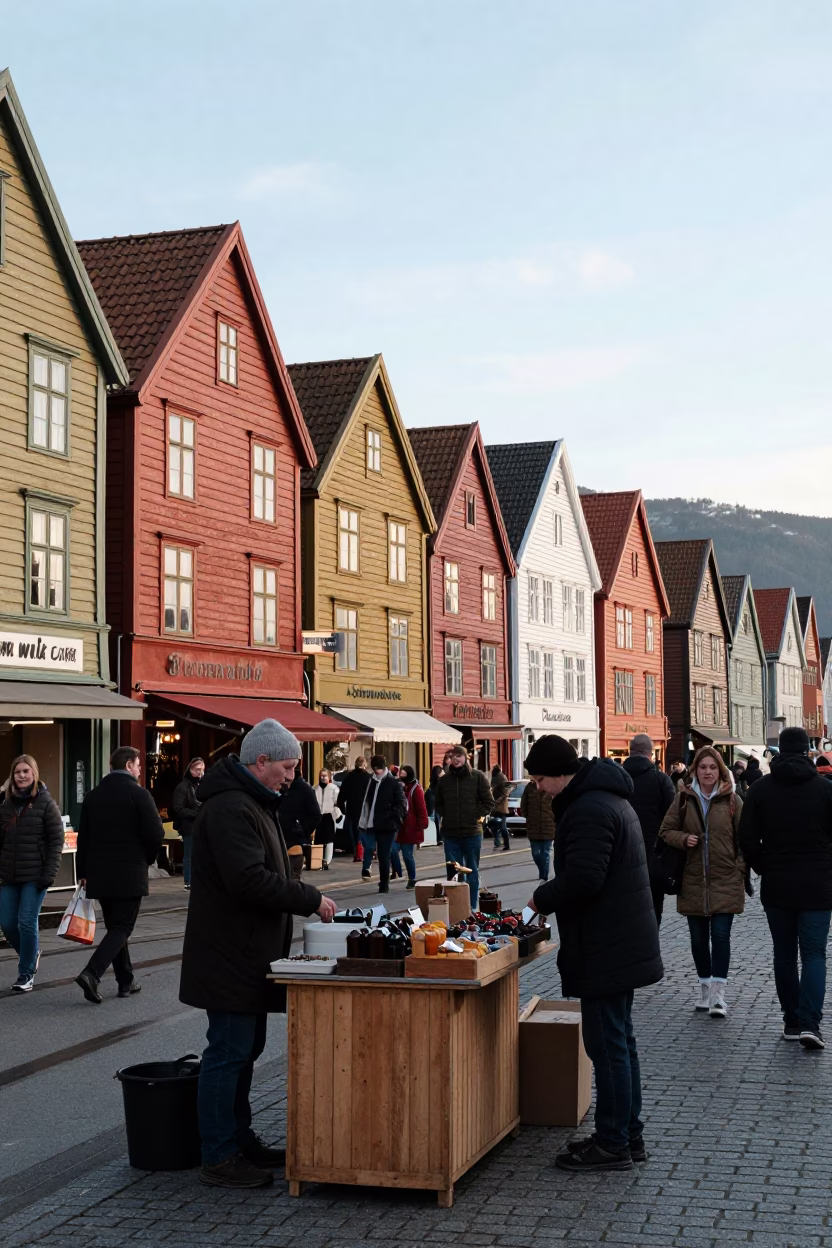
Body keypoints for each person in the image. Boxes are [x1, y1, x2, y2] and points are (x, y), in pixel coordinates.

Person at [179, 719, 336, 1188]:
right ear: (260, 761)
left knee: (246, 1050)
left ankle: (239, 1139)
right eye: (287, 767)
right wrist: (308, 897)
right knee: (228, 1053)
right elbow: (248, 880)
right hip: (229, 954)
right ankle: (219, 1156)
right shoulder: (231, 808)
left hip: (246, 954)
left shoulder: (254, 802)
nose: (292, 777)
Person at [526, 735, 662, 1173]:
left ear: (559, 773)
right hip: (618, 940)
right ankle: (627, 1134)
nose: (539, 788)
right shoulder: (604, 797)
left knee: (607, 1047)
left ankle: (613, 1143)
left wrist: (540, 899)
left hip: (607, 945)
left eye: (541, 779)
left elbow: (584, 879)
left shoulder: (588, 808)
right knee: (620, 1043)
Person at [740, 726, 832, 1049]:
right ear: (807, 750)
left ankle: (791, 1021)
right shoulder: (825, 790)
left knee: (784, 955)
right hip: (819, 886)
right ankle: (811, 1024)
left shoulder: (760, 790)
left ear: (778, 751)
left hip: (777, 885)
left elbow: (747, 840)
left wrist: (765, 867)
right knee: (814, 955)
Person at [658, 746, 745, 1018]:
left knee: (720, 936)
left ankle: (719, 996)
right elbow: (665, 831)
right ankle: (705, 989)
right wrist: (684, 839)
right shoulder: (683, 798)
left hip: (725, 878)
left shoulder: (733, 800)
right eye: (703, 767)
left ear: (720, 770)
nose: (708, 772)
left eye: (713, 767)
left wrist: (739, 869)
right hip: (693, 879)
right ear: (695, 770)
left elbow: (744, 840)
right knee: (698, 940)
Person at [75, 746, 165, 1004]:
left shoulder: (93, 796)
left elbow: (85, 839)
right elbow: (156, 834)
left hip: (100, 875)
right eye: (138, 765)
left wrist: (83, 872)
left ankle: (126, 980)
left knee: (116, 928)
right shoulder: (139, 794)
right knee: (123, 928)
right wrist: (146, 860)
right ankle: (92, 973)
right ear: (128, 765)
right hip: (129, 873)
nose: (139, 770)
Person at [0, 755, 64, 992]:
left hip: (35, 875)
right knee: (6, 922)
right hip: (9, 874)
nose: (22, 776)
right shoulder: (5, 803)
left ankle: (26, 973)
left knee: (26, 922)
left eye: (26, 771)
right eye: (18, 772)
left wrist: (50, 873)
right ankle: (31, 952)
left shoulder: (45, 802)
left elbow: (57, 840)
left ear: (34, 773)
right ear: (12, 775)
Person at [622, 734, 676, 925]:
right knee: (653, 909)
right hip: (654, 855)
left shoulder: (618, 778)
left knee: (625, 910)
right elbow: (673, 818)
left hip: (621, 857)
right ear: (650, 753)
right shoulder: (660, 780)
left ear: (630, 751)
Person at [435, 745, 494, 908]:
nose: (455, 759)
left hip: (472, 832)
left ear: (465, 758)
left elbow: (489, 802)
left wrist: (476, 815)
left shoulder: (477, 776)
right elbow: (438, 803)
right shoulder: (444, 780)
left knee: (471, 870)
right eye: (453, 757)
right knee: (453, 873)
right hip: (451, 834)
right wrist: (445, 814)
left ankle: (472, 906)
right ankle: (456, 907)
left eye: (459, 756)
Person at [356, 755, 407, 893]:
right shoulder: (371, 781)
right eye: (375, 768)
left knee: (384, 854)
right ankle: (374, 872)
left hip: (387, 825)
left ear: (384, 767)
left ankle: (384, 883)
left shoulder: (393, 782)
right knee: (371, 849)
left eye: (379, 768)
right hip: (371, 824)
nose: (377, 771)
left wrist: (393, 818)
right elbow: (366, 802)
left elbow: (402, 803)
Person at [278, 771, 321, 881]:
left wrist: (303, 829)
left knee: (293, 882)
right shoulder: (276, 786)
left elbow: (315, 815)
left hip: (295, 843)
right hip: (277, 843)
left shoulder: (303, 789)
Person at [171, 757, 205, 890]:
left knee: (201, 854)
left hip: (200, 824)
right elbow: (178, 808)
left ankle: (198, 879)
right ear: (190, 770)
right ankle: (188, 880)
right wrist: (196, 813)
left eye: (202, 770)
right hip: (189, 825)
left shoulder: (201, 785)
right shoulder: (183, 787)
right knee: (189, 854)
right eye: (197, 770)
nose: (200, 773)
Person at [397, 765, 428, 889]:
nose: (401, 777)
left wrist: (421, 825)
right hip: (400, 826)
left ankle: (412, 878)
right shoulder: (401, 788)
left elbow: (421, 809)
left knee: (407, 855)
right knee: (393, 851)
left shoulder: (416, 789)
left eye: (404, 775)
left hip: (410, 828)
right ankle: (398, 872)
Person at [520, 779, 556, 881]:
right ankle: (542, 871)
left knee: (546, 853)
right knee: (535, 853)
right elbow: (524, 804)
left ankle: (543, 876)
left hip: (549, 825)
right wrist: (527, 816)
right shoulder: (530, 787)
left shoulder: (550, 784)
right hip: (533, 826)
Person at [336, 757, 368, 865]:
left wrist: (343, 809)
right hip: (364, 810)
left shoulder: (349, 777)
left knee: (354, 831)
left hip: (351, 809)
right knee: (363, 831)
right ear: (365, 765)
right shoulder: (368, 778)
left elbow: (342, 795)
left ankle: (357, 851)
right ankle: (363, 852)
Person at [314, 769, 339, 870]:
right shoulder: (314, 788)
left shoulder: (334, 788)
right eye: (321, 775)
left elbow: (338, 802)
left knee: (329, 839)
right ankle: (317, 860)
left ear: (329, 777)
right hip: (319, 815)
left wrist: (336, 814)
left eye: (325, 776)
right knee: (318, 839)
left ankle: (327, 861)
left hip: (329, 815)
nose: (323, 778)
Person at [490, 765, 512, 851]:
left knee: (502, 827)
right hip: (495, 806)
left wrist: (498, 800)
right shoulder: (495, 778)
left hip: (500, 806)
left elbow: (506, 792)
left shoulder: (501, 778)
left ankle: (506, 844)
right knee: (493, 825)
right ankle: (498, 841)